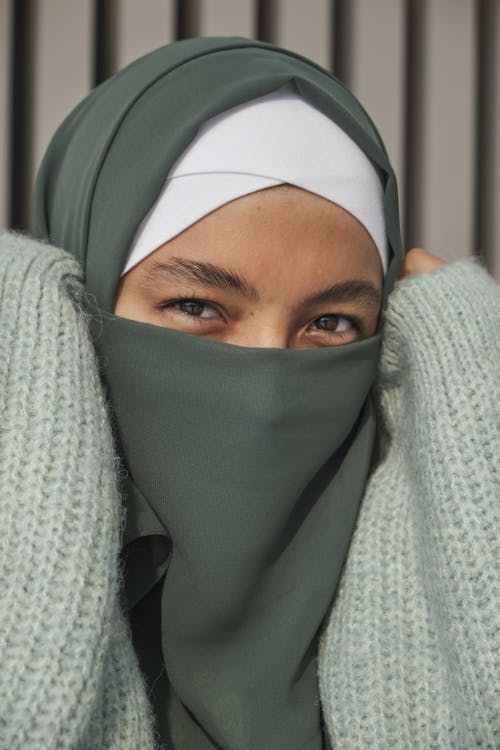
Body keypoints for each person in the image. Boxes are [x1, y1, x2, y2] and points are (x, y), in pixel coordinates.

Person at [0, 36, 498, 750]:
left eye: (330, 322)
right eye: (199, 307)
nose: (267, 388)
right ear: (73, 305)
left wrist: (477, 409)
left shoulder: (428, 569)